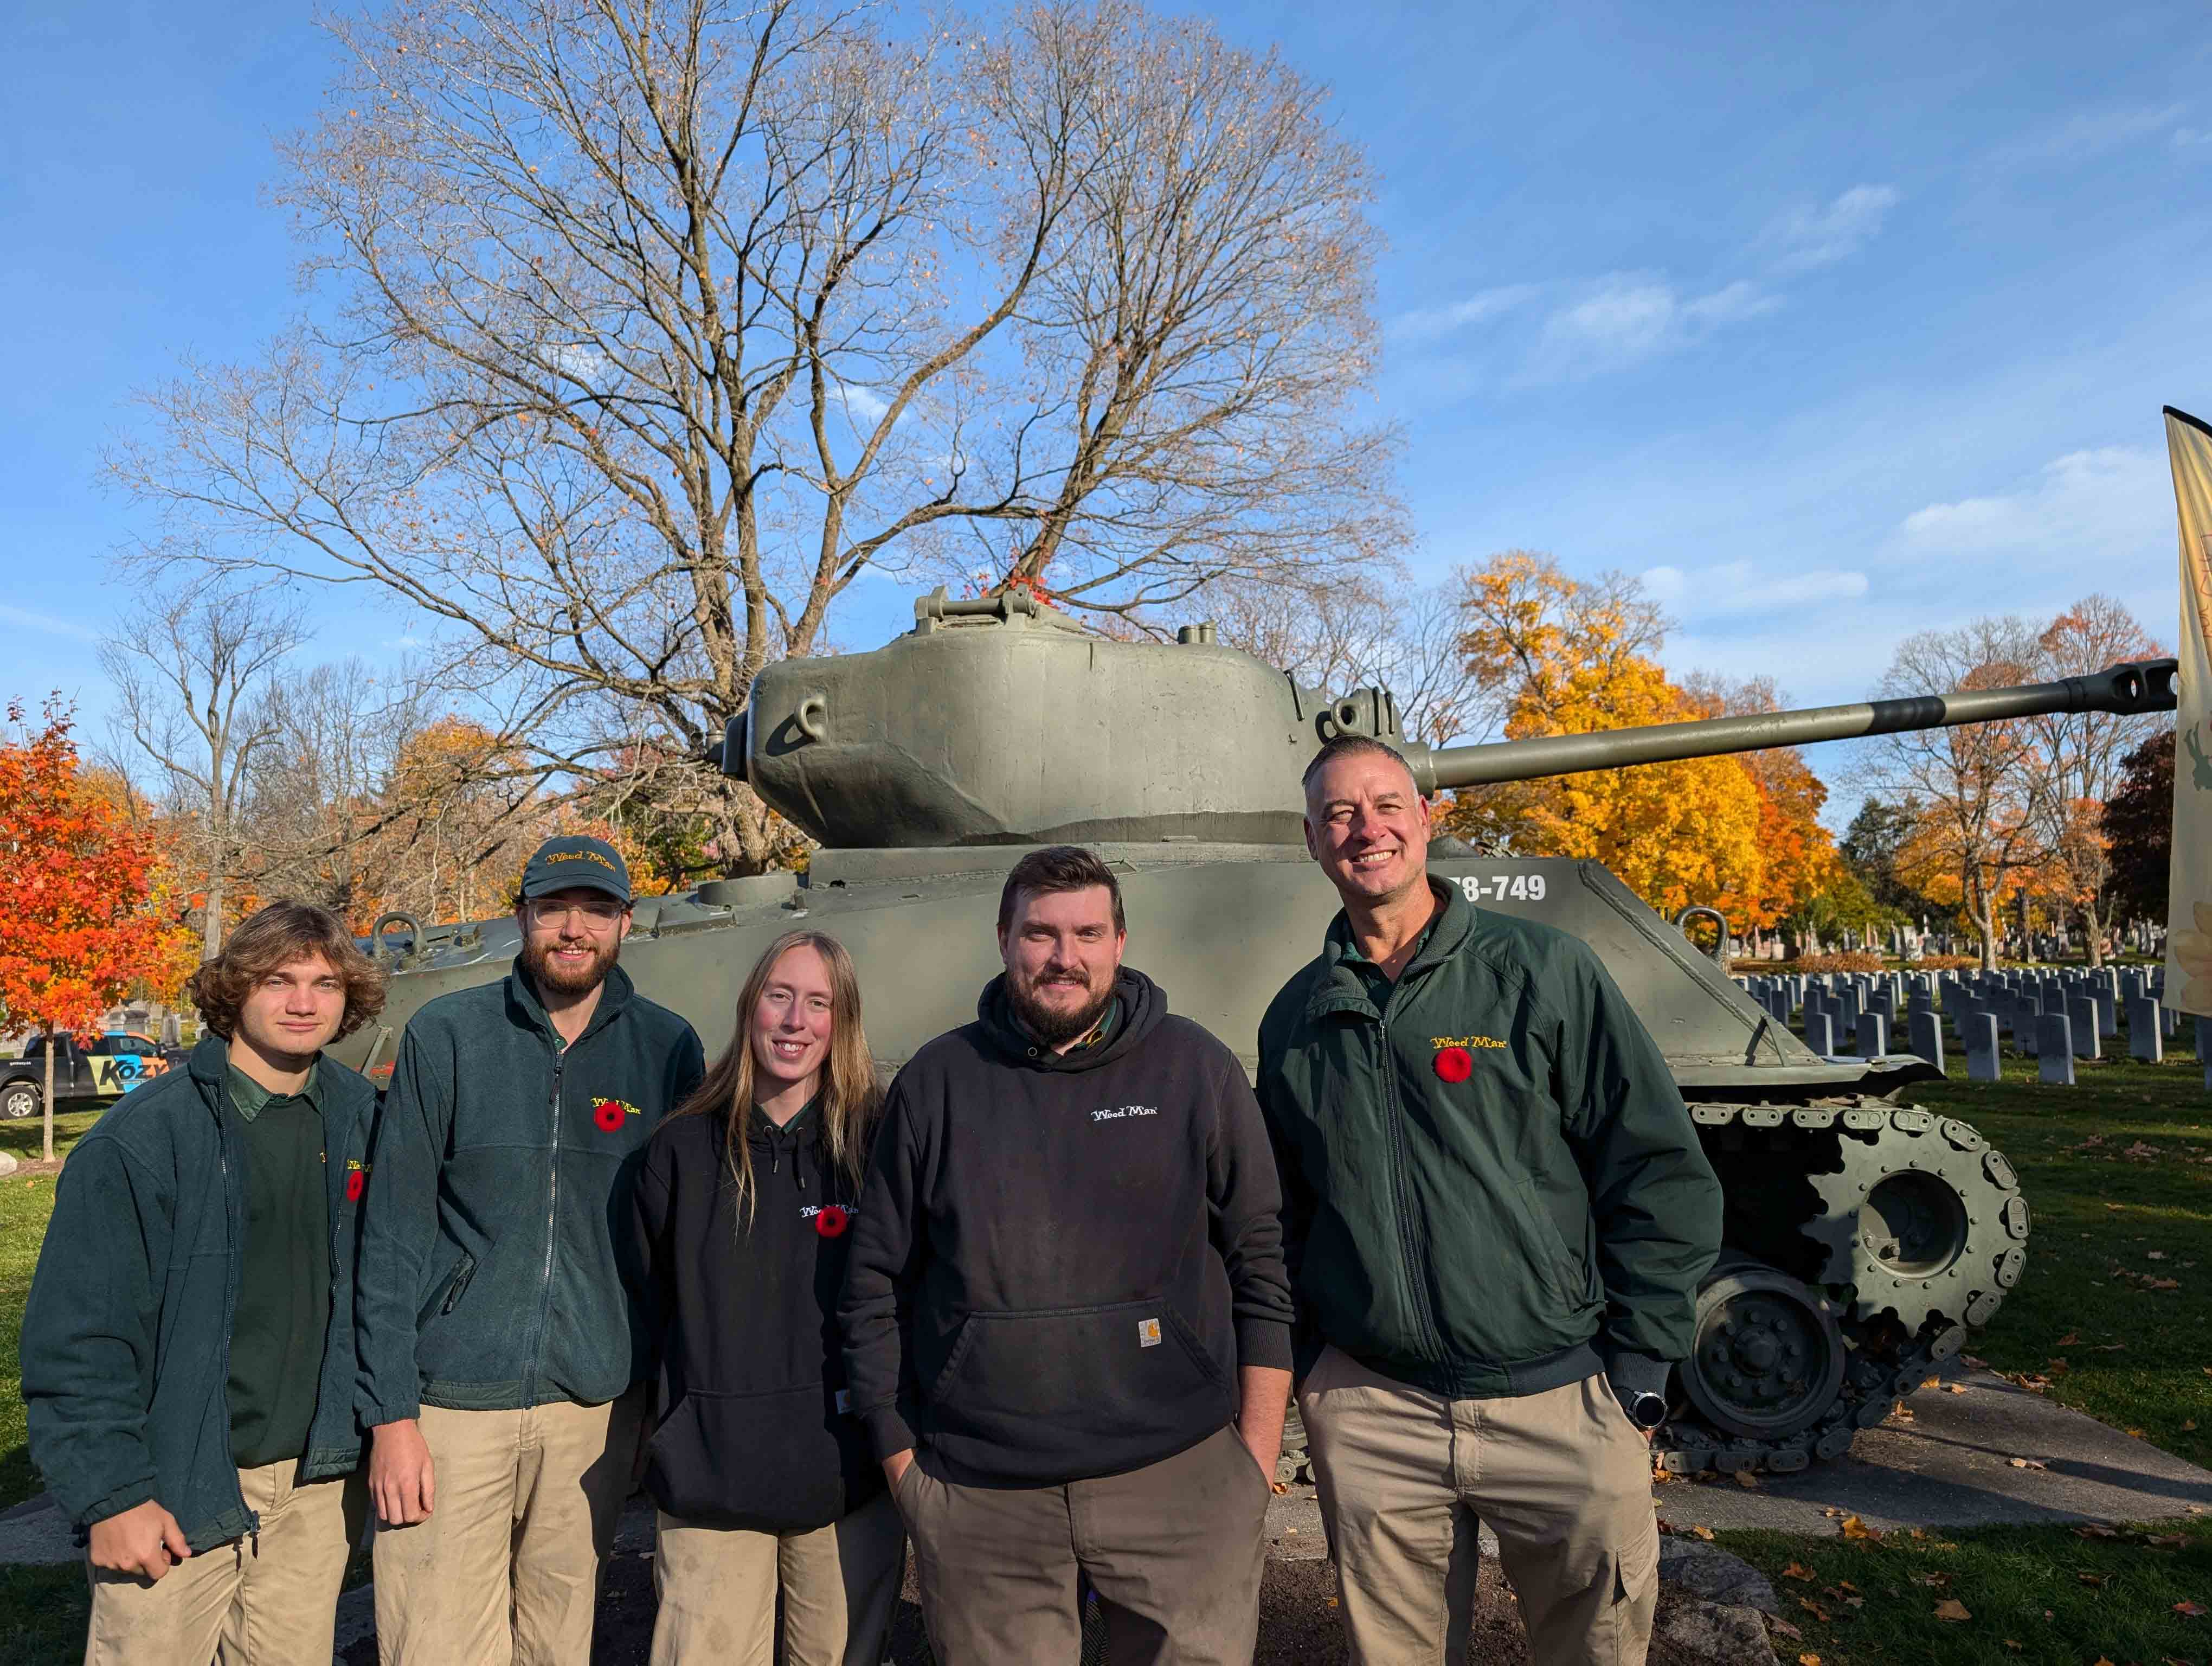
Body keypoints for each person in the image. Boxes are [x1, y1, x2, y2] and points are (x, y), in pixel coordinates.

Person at [1257, 736, 1725, 1666]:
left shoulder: (1541, 970)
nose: (1367, 829)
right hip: (1378, 1412)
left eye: (1387, 805)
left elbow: (1654, 1167)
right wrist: (1316, 1369)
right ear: (1312, 840)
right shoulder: (1297, 1016)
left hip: (1561, 1401)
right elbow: (1281, 1214)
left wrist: (1637, 1361)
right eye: (1339, 814)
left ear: (1427, 819)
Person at [839, 844, 1294, 1666]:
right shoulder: (938, 1082)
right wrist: (904, 1466)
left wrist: (1252, 1466)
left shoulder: (1196, 1068)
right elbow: (875, 1282)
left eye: (1087, 934)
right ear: (1004, 939)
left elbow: (1260, 1259)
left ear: (1119, 943)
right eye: (1040, 934)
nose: (1064, 957)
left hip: (1184, 1482)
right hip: (982, 1498)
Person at [356, 835, 706, 1664]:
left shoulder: (667, 1049)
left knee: (558, 1640)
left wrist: (657, 1397)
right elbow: (392, 1235)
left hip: (592, 1409)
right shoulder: (448, 1034)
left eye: (596, 910)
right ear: (522, 918)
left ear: (626, 923)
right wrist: (391, 1414)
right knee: (433, 1643)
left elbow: (683, 1244)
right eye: (554, 909)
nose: (574, 929)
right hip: (449, 1403)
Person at [22, 900, 388, 1664]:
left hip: (313, 1490)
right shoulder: (143, 1139)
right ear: (235, 989)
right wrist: (112, 1495)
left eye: (325, 984)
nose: (303, 1002)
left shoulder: (364, 1118)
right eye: (278, 981)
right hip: (176, 1483)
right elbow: (80, 1338)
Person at [627, 930, 901, 1666]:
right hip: (711, 1483)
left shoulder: (876, 1148)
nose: (795, 1021)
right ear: (751, 1007)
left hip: (848, 1479)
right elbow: (649, 1304)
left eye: (818, 1003)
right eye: (780, 997)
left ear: (842, 1022)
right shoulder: (680, 1151)